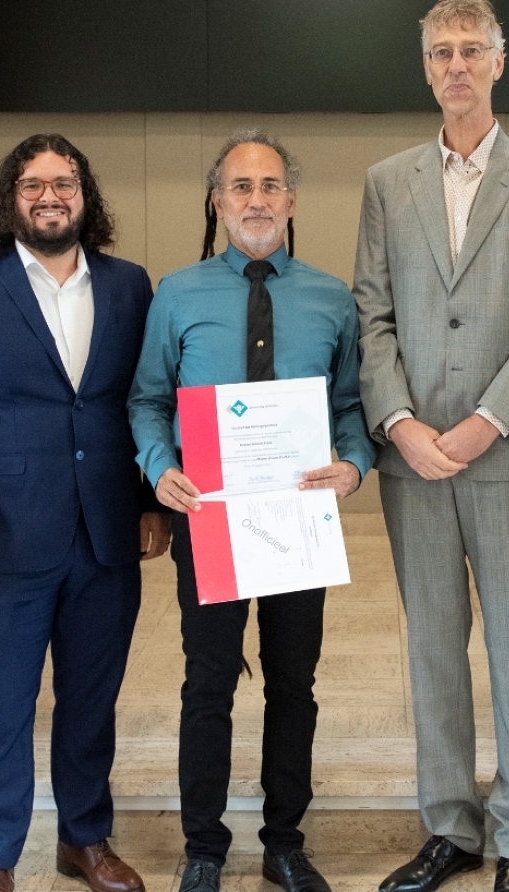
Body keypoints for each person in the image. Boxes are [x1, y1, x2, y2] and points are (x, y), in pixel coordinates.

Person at [352, 3, 509, 891]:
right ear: (425, 68)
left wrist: (489, 419)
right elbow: (372, 313)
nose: (456, 66)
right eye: (441, 53)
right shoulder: (387, 181)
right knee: (433, 648)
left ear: (499, 63)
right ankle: (450, 825)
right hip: (414, 462)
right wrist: (399, 423)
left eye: (471, 52)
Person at [0, 134, 170, 892]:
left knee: (91, 701)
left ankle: (84, 842)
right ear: (10, 198)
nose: (49, 195)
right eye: (32, 184)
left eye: (64, 182)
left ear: (86, 196)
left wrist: (152, 502)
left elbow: (143, 401)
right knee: (1, 708)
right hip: (1, 538)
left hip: (105, 535)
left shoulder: (129, 286)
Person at [128, 129, 375, 892]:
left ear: (292, 201)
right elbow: (146, 401)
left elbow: (353, 408)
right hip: (210, 521)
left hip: (300, 523)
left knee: (292, 683)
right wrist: (158, 468)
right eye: (241, 187)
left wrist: (354, 464)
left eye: (270, 186)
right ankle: (203, 846)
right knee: (208, 683)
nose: (256, 200)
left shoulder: (334, 298)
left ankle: (284, 842)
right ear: (217, 201)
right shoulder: (177, 293)